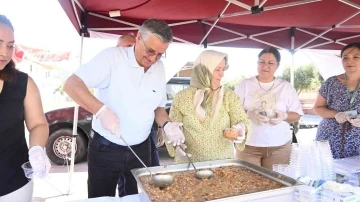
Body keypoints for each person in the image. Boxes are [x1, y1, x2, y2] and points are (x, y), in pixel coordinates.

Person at [63, 19, 185, 198]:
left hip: (141, 148)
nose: (153, 59)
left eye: (160, 54)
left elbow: (158, 109)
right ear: (138, 38)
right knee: (101, 198)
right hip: (106, 148)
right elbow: (71, 85)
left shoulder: (159, 68)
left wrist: (167, 125)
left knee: (135, 196)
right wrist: (101, 110)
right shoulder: (111, 58)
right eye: (150, 51)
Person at [164, 50, 251, 164]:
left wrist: (242, 128)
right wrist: (176, 146)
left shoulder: (229, 97)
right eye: (217, 69)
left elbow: (242, 120)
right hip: (189, 163)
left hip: (222, 164)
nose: (222, 74)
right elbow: (173, 128)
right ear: (203, 70)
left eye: (223, 69)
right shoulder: (182, 97)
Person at [0, 14, 51, 202]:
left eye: (10, 45)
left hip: (15, 184)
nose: (5, 52)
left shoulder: (23, 83)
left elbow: (38, 124)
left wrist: (37, 149)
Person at [234, 46, 303, 170]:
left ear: (277, 65)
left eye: (271, 63)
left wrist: (284, 116)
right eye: (262, 62)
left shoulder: (285, 87)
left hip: (279, 147)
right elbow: (232, 110)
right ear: (257, 63)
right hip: (248, 146)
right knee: (248, 184)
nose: (265, 66)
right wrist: (249, 114)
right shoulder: (245, 85)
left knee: (277, 183)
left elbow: (297, 115)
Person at [115, 33, 161, 196]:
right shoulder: (113, 71)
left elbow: (158, 105)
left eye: (132, 47)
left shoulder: (152, 71)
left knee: (151, 175)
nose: (130, 52)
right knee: (122, 182)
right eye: (125, 48)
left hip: (145, 136)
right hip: (116, 138)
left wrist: (169, 125)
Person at [313, 42, 360, 159]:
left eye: (356, 57)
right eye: (345, 58)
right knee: (328, 174)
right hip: (330, 138)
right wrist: (336, 114)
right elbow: (317, 108)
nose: (350, 61)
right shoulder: (331, 82)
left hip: (358, 140)